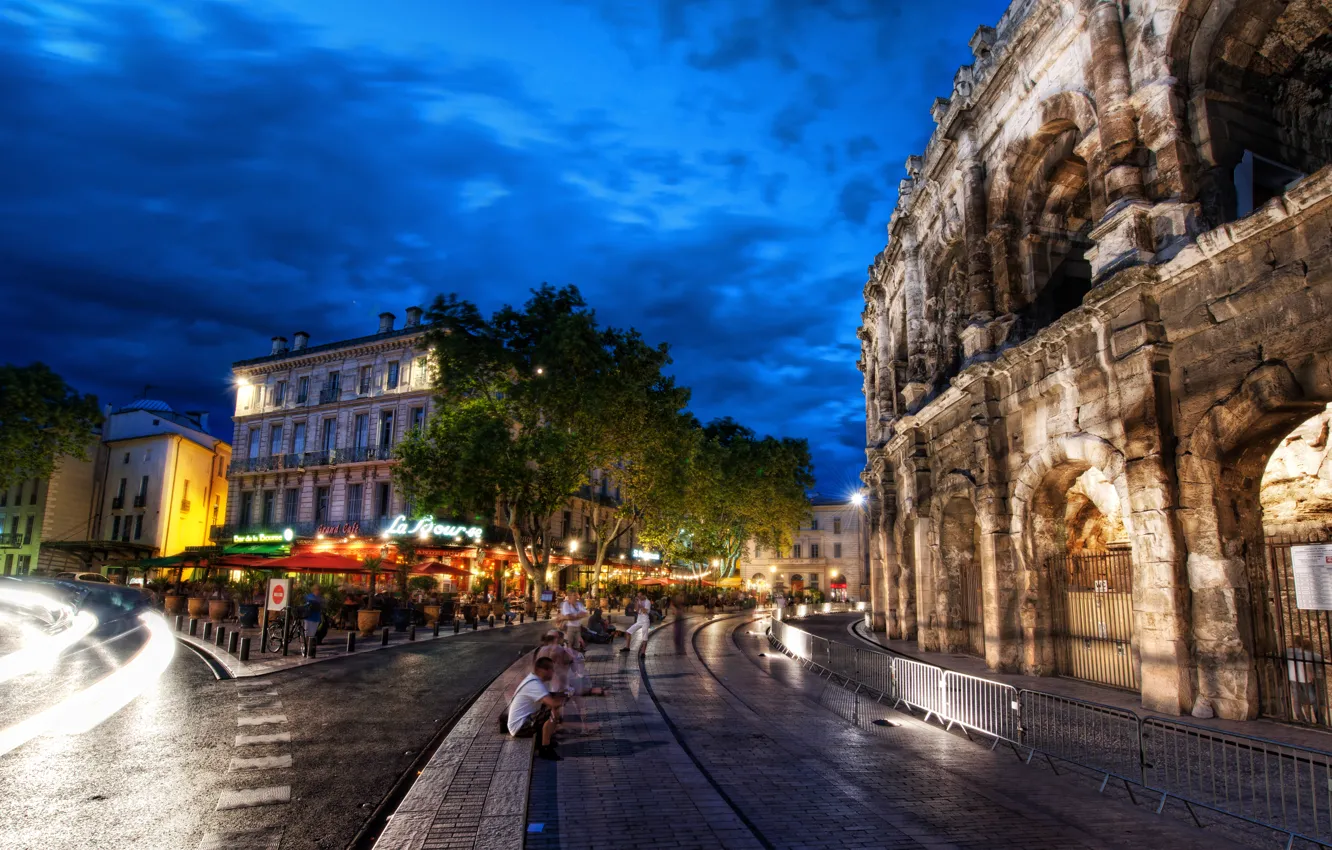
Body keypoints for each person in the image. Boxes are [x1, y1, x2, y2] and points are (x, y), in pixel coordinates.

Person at [507, 656, 566, 760]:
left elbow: (548, 696)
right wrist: (564, 700)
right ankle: (545, 749)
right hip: (520, 726)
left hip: (523, 721)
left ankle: (544, 740)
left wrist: (562, 694)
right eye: (551, 669)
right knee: (551, 710)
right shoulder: (534, 684)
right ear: (542, 670)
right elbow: (552, 703)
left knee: (550, 708)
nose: (553, 672)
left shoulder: (533, 680)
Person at [1287, 636, 1325, 723]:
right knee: (1313, 699)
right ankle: (1319, 719)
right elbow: (1308, 667)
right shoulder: (1309, 654)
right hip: (1305, 679)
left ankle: (1303, 718)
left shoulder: (1289, 652)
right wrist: (1311, 677)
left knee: (1297, 699)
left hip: (1293, 678)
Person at [621, 592, 651, 658]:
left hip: (645, 621)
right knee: (628, 632)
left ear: (644, 595)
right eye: (638, 596)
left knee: (644, 637)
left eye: (640, 596)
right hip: (639, 621)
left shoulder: (647, 602)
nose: (639, 597)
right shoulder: (639, 601)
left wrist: (641, 606)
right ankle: (627, 647)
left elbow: (645, 611)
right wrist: (637, 603)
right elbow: (637, 610)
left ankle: (643, 652)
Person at [303, 584, 324, 656]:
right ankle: (305, 647)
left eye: (319, 590)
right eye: (317, 590)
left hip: (316, 618)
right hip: (309, 617)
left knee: (312, 634)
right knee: (307, 633)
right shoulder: (309, 597)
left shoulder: (320, 598)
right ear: (314, 590)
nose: (318, 591)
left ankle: (309, 648)